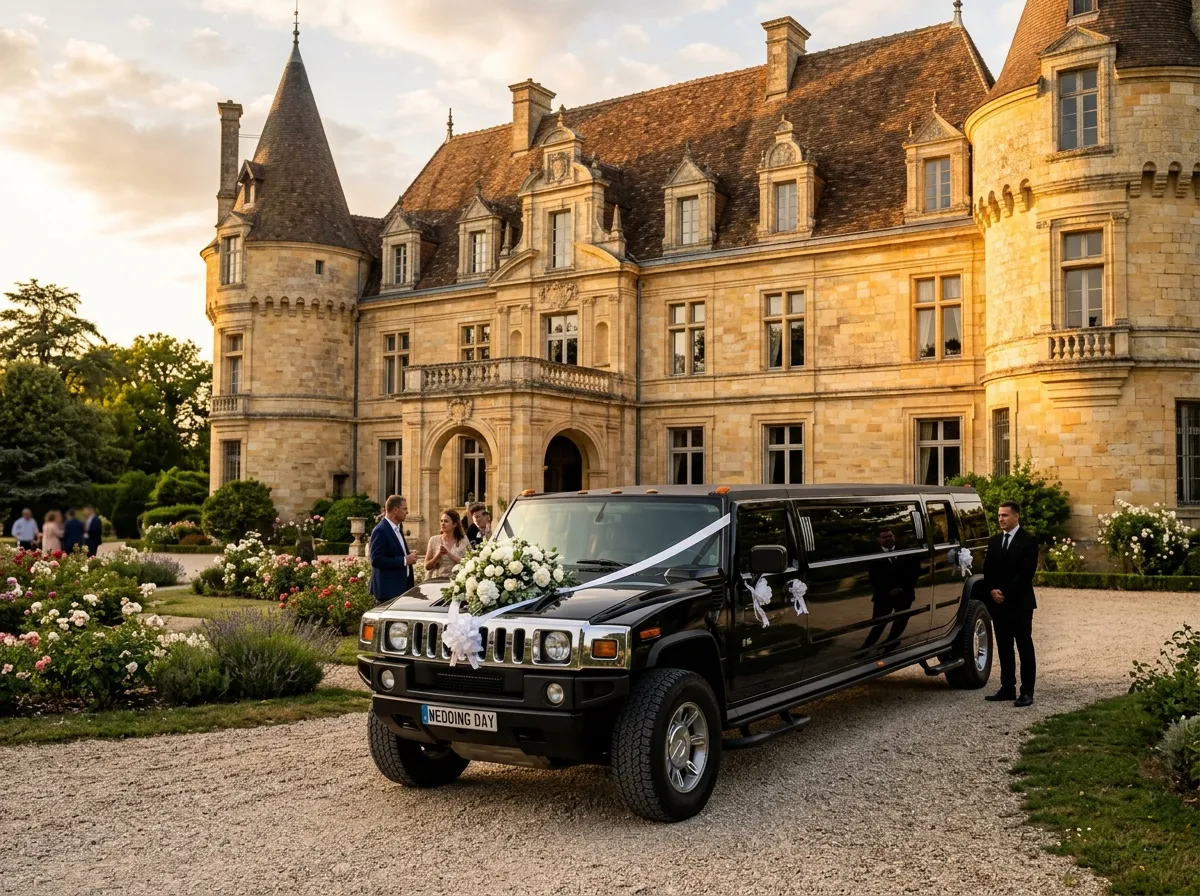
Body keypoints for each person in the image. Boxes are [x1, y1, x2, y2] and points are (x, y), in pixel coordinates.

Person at [982, 500, 1039, 707]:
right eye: (999, 515)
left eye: (1004, 515)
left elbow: (1026, 573)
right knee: (1004, 647)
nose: (1000, 519)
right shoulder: (994, 541)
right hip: (998, 604)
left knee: (1024, 647)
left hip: (1020, 603)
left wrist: (1004, 592)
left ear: (1016, 517)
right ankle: (1007, 687)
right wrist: (991, 590)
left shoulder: (1028, 541)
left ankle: (1027, 692)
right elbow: (987, 570)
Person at [862, 529, 921, 649]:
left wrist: (902, 587)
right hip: (883, 596)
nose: (888, 539)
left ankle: (891, 642)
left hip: (905, 593)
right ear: (879, 540)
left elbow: (915, 571)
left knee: (901, 620)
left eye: (890, 536)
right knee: (879, 622)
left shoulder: (906, 551)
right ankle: (866, 647)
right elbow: (873, 577)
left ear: (894, 536)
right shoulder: (873, 555)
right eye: (884, 537)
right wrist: (889, 589)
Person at [369, 495, 419, 605]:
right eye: (405, 509)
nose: (407, 512)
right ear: (395, 510)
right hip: (388, 592)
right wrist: (404, 560)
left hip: (401, 590)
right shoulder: (380, 530)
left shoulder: (398, 528)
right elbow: (376, 560)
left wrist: (408, 558)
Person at [425, 509, 470, 578]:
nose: (442, 523)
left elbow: (469, 563)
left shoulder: (463, 540)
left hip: (457, 580)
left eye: (446, 521)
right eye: (441, 521)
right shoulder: (433, 540)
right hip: (436, 580)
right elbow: (427, 566)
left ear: (454, 524)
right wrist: (438, 556)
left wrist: (448, 554)